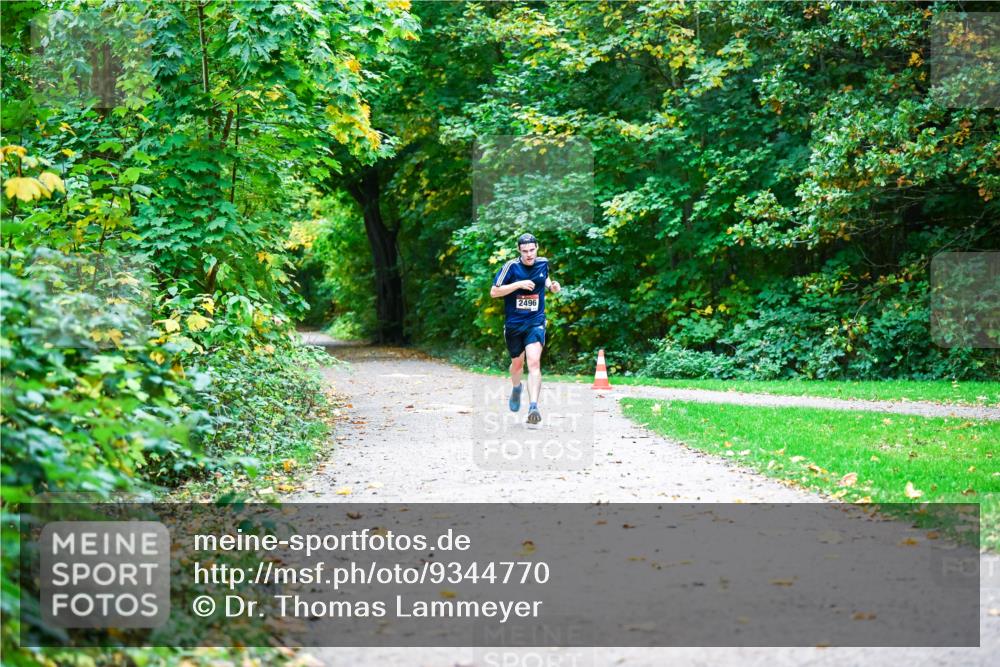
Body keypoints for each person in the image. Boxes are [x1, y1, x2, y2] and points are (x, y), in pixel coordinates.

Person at [489, 233, 561, 424]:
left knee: (534, 362)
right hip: (514, 324)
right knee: (517, 365)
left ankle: (533, 407)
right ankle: (516, 387)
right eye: (525, 251)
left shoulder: (543, 263)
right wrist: (518, 284)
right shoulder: (510, 267)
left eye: (532, 250)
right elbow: (494, 292)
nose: (529, 254)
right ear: (518, 250)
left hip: (535, 321)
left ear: (537, 248)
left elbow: (545, 278)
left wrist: (552, 286)